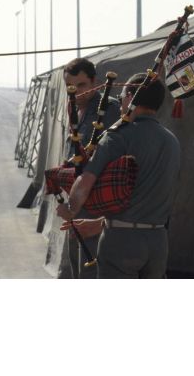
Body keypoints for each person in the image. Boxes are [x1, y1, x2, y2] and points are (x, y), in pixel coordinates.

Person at [57, 73, 181, 279]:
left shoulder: (118, 136)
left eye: (123, 95)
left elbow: (86, 180)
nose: (121, 102)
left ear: (131, 97)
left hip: (121, 244)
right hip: (159, 241)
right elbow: (146, 198)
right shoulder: (172, 141)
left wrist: (70, 209)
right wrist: (100, 224)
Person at [60, 58, 120, 279]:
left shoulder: (109, 110)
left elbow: (110, 164)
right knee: (78, 271)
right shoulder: (76, 109)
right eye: (69, 86)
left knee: (92, 273)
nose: (74, 91)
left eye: (81, 85)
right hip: (77, 207)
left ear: (95, 82)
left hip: (97, 210)